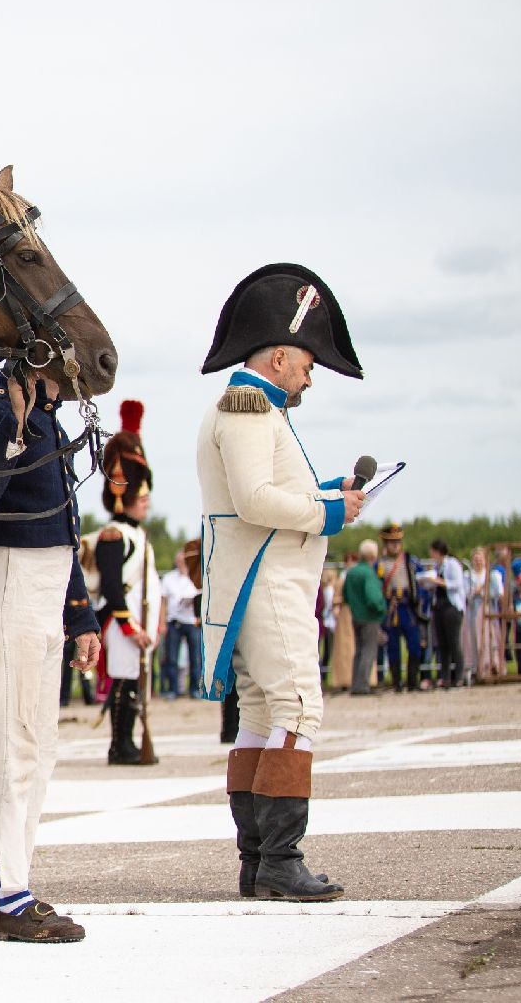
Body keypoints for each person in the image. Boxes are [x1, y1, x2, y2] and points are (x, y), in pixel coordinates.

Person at [195, 263, 365, 902]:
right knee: (296, 707)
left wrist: (324, 491)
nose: (310, 375)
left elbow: (269, 489)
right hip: (268, 579)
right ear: (280, 356)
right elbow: (254, 499)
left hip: (263, 576)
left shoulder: (256, 409)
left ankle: (260, 862)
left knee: (263, 714)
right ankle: (279, 862)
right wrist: (328, 513)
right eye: (307, 363)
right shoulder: (248, 408)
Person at [0, 364, 101, 943]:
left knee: (36, 747)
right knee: (15, 744)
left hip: (43, 583)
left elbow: (60, 528)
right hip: (9, 577)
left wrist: (80, 615)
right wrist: (12, 428)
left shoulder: (48, 419)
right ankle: (9, 893)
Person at [82, 399, 160, 767]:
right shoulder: (113, 535)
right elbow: (113, 588)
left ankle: (127, 741)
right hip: (122, 622)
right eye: (141, 497)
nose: (146, 503)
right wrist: (130, 626)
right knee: (124, 681)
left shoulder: (135, 534)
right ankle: (120, 744)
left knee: (133, 683)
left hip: (136, 623)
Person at [377, 524, 427, 691]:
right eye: (392, 542)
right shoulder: (380, 564)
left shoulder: (410, 561)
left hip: (408, 607)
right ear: (386, 544)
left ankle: (412, 682)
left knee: (414, 645)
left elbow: (421, 582)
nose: (395, 545)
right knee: (393, 648)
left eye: (398, 542)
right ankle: (397, 682)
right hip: (391, 609)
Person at [419, 539, 466, 689]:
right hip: (438, 607)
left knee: (454, 642)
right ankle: (445, 678)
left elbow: (457, 584)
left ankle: (459, 676)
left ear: (437, 551)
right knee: (442, 644)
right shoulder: (436, 566)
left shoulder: (452, 564)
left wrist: (438, 581)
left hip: (451, 607)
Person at [343, 540, 387, 695]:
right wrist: (381, 609)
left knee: (359, 651)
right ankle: (363, 686)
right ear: (373, 555)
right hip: (370, 617)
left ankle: (356, 684)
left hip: (355, 616)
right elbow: (373, 598)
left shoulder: (351, 572)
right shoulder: (368, 573)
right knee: (369, 651)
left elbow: (345, 595)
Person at [160, 547, 202, 700]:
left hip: (192, 621)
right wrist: (162, 623)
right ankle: (173, 689)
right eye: (179, 561)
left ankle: (195, 689)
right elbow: (163, 602)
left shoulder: (197, 577)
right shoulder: (168, 578)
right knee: (171, 657)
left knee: (195, 657)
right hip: (174, 621)